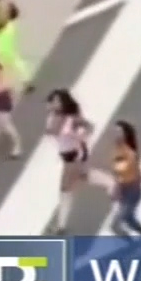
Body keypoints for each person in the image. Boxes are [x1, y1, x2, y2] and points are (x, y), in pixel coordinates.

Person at [46, 89, 91, 235]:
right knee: (81, 179)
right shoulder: (53, 116)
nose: (53, 104)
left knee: (65, 190)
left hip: (74, 155)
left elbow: (88, 127)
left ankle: (61, 225)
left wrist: (77, 135)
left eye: (56, 101)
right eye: (52, 101)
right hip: (66, 154)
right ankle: (110, 184)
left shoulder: (72, 118)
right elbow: (50, 131)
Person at [109, 120, 141, 242]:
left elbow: (136, 175)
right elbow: (117, 172)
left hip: (132, 191)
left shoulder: (129, 152)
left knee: (116, 224)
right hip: (125, 191)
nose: (115, 134)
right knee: (129, 220)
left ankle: (134, 244)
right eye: (114, 131)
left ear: (125, 134)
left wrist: (122, 185)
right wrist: (116, 187)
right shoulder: (117, 150)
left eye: (118, 131)